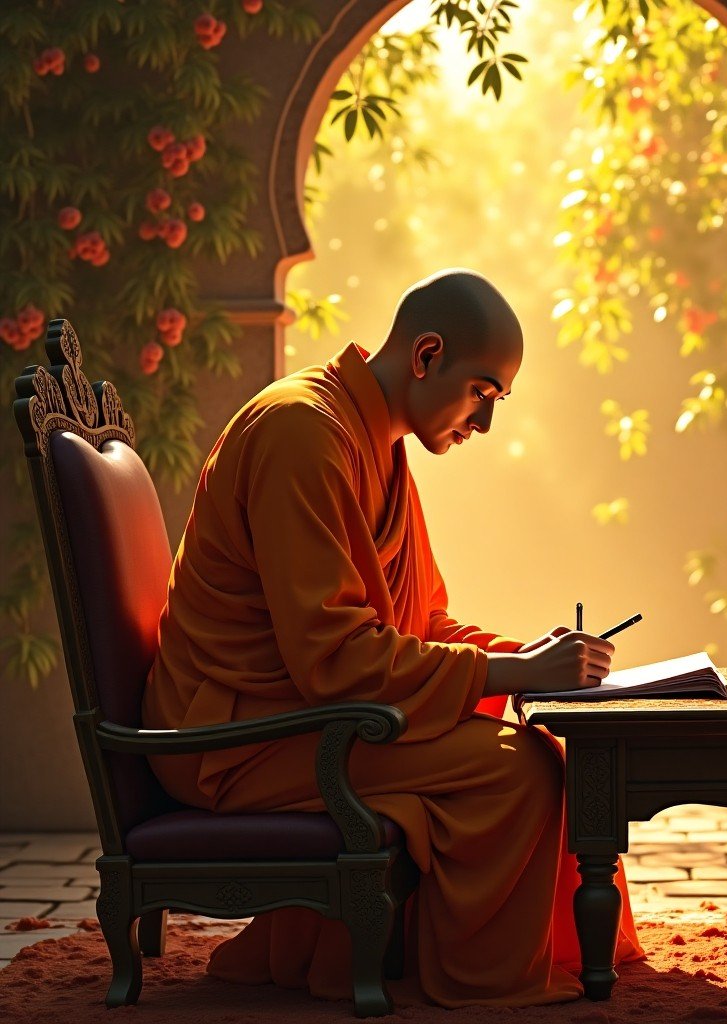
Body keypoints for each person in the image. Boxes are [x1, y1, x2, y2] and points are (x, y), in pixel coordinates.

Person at [141, 268, 644, 1007]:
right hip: (233, 735)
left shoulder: (375, 441)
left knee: (552, 744)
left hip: (299, 712)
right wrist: (510, 676)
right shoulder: (302, 433)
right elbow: (335, 659)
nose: (484, 423)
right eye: (484, 393)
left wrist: (524, 659)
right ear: (426, 354)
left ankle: (448, 951)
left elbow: (419, 623)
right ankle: (484, 982)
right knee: (519, 772)